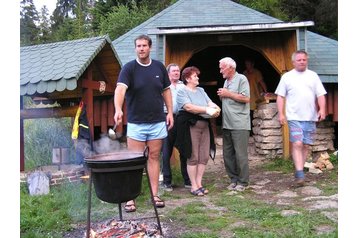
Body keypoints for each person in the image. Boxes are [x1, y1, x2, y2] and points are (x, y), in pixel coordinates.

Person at [113, 34, 174, 212]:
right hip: (136, 123)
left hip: (157, 122)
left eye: (144, 46)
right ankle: (131, 199)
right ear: (135, 48)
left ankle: (155, 195)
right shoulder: (129, 68)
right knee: (135, 161)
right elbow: (120, 90)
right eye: (138, 46)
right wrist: (118, 108)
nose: (141, 49)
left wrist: (169, 112)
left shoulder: (159, 67)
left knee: (154, 158)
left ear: (150, 47)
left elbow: (166, 91)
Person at [275, 49, 326, 187]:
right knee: (297, 143)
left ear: (306, 61)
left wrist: (322, 109)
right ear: (293, 62)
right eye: (299, 60)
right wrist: (281, 114)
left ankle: (300, 170)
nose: (302, 62)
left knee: (305, 145)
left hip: (310, 117)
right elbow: (280, 96)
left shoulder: (313, 76)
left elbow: (320, 94)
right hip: (294, 117)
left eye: (304, 59)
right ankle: (299, 173)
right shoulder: (287, 77)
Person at [175, 66, 220, 196]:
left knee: (204, 156)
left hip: (204, 125)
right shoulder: (182, 92)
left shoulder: (201, 90)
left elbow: (210, 103)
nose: (198, 78)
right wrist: (206, 110)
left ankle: (199, 183)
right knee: (193, 156)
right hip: (190, 126)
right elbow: (189, 107)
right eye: (195, 76)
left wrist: (216, 108)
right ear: (188, 78)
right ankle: (193, 186)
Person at [217, 57, 251, 192]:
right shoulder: (226, 81)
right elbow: (230, 97)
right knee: (227, 155)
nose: (220, 71)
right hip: (227, 123)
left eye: (222, 68)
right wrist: (223, 95)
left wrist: (228, 94)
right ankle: (233, 179)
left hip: (239, 124)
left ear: (231, 67)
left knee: (240, 154)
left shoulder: (242, 79)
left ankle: (243, 182)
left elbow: (246, 98)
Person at [161, 63, 191, 191]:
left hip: (181, 119)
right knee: (166, 151)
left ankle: (187, 179)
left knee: (184, 150)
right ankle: (167, 181)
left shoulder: (183, 86)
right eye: (173, 71)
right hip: (166, 118)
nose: (176, 73)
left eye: (178, 71)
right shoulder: (163, 85)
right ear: (168, 73)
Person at [243, 58, 267, 135]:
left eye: (248, 64)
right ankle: (248, 133)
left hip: (255, 97)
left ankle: (255, 133)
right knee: (247, 116)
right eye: (246, 64)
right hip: (246, 98)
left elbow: (261, 82)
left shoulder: (257, 73)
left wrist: (266, 92)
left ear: (252, 64)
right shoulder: (244, 73)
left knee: (254, 116)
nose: (247, 66)